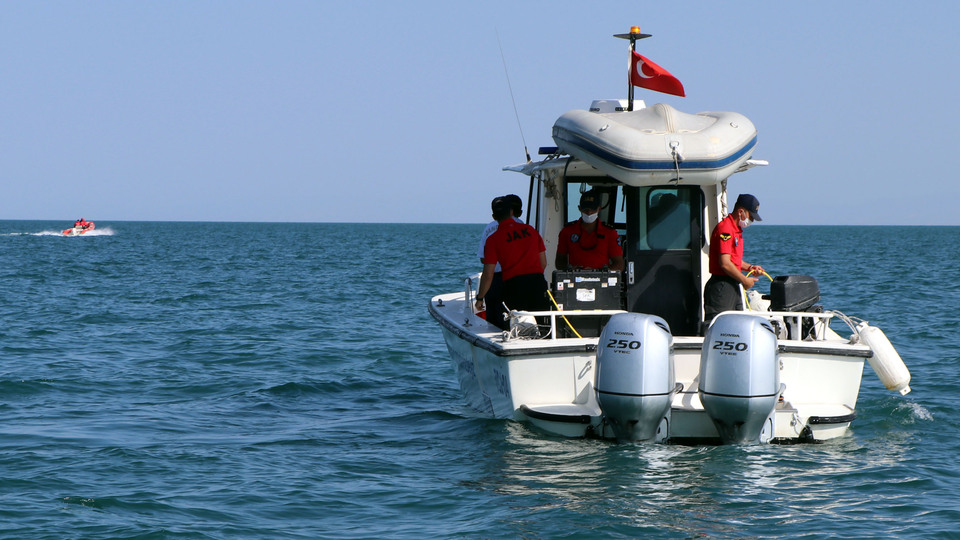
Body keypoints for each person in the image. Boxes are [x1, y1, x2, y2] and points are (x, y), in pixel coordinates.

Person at [475, 197, 549, 328]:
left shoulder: (493, 239)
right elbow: (543, 263)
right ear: (511, 212)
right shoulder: (531, 230)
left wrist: (480, 298)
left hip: (514, 287)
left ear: (493, 216)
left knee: (515, 329)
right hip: (538, 284)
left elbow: (488, 275)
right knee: (543, 326)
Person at [703, 193, 766, 324]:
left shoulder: (735, 229)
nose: (751, 221)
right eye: (751, 217)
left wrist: (750, 268)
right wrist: (745, 280)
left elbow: (733, 260)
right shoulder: (726, 229)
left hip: (733, 284)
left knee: (736, 324)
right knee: (720, 325)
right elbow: (725, 264)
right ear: (741, 212)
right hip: (722, 286)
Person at [476, 195, 524, 329]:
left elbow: (483, 258)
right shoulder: (525, 228)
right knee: (517, 316)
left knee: (494, 321)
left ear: (493, 215)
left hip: (495, 280)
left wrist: (480, 297)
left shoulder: (489, 228)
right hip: (518, 279)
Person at [555, 190, 624, 271]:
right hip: (574, 279)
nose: (589, 212)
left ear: (599, 209)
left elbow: (619, 265)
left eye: (593, 209)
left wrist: (598, 273)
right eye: (586, 209)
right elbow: (559, 262)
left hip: (602, 281)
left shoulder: (610, 233)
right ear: (579, 208)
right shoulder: (567, 232)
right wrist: (571, 270)